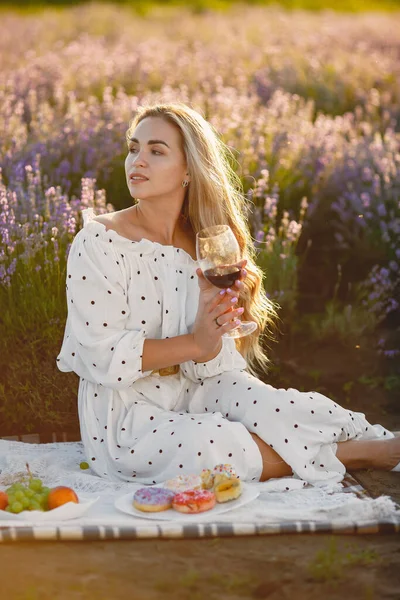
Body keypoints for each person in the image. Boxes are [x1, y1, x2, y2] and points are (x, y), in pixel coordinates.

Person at [56, 102, 400, 487]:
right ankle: (355, 455)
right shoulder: (100, 242)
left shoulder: (210, 247)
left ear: (189, 169)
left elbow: (214, 367)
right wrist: (195, 341)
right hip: (128, 412)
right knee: (208, 443)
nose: (137, 160)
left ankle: (367, 441)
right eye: (133, 148)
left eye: (156, 151)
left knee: (280, 406)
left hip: (199, 388)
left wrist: (213, 328)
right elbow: (101, 355)